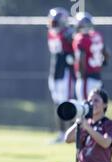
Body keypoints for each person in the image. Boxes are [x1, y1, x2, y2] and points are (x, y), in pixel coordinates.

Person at [47, 7, 76, 143]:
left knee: (67, 103)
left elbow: (76, 51)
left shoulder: (69, 34)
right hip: (55, 73)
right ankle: (60, 133)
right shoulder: (51, 33)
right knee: (57, 103)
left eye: (55, 22)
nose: (53, 25)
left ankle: (72, 134)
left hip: (66, 73)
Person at [73, 12, 109, 102]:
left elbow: (81, 59)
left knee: (84, 108)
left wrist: (81, 76)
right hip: (97, 77)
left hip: (86, 78)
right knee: (96, 108)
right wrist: (104, 63)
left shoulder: (81, 39)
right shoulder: (97, 36)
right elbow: (107, 53)